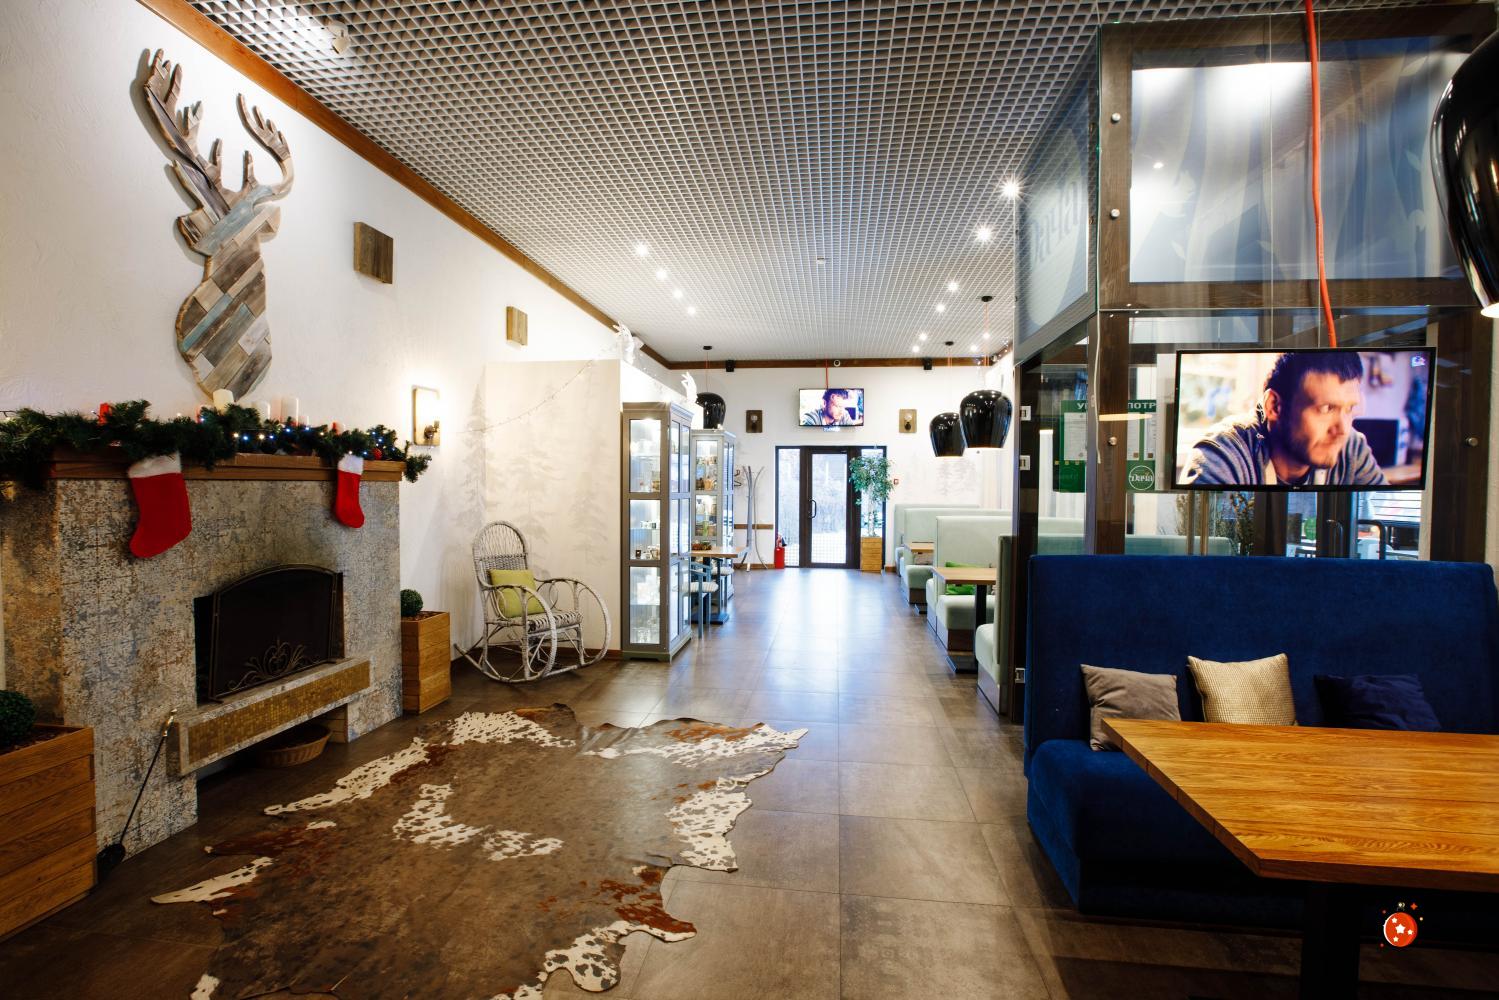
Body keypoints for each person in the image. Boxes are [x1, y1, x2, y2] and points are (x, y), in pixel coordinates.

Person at [1180, 352, 1387, 487]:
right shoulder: (1222, 454)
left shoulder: (1351, 448)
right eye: (1326, 408)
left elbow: (1384, 521)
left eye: (1349, 409)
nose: (1342, 429)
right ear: (1274, 406)